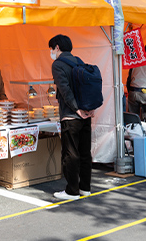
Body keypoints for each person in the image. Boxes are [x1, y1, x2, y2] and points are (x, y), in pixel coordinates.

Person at [49, 34, 94, 200]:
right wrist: (87, 109)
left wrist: (76, 109)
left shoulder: (58, 64)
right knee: (84, 152)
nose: (51, 52)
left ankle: (72, 190)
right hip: (86, 114)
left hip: (70, 115)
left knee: (70, 154)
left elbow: (64, 90)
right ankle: (85, 188)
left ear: (57, 47)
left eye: (51, 48)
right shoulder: (79, 61)